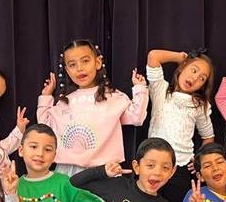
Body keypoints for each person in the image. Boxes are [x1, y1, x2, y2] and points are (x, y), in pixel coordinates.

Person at [37, 39, 148, 176]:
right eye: (72, 64)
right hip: (68, 171)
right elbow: (44, 126)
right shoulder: (64, 102)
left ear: (97, 62)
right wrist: (46, 96)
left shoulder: (113, 97)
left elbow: (137, 117)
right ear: (67, 70)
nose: (79, 68)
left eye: (85, 61)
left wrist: (140, 88)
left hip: (104, 171)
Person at [145, 48, 216, 202]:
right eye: (193, 70)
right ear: (183, 67)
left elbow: (208, 137)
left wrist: (199, 159)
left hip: (181, 167)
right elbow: (153, 57)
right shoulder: (161, 89)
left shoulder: (199, 105)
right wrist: (180, 57)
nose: (195, 78)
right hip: (152, 163)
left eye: (202, 78)